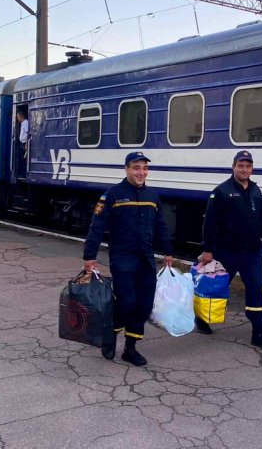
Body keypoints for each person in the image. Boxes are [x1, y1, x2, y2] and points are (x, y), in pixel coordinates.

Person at [82, 151, 174, 366]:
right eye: (136, 168)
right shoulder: (113, 194)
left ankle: (130, 348)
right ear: (126, 169)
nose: (141, 172)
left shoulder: (153, 196)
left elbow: (161, 226)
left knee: (144, 305)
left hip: (145, 258)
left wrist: (168, 251)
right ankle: (110, 336)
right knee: (126, 302)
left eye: (144, 168)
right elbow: (97, 226)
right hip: (123, 258)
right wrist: (89, 256)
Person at [199, 150, 262, 350]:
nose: (244, 169)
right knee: (217, 288)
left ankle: (257, 332)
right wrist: (207, 250)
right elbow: (210, 223)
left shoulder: (256, 190)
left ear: (252, 169)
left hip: (252, 252)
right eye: (240, 165)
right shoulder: (222, 191)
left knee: (255, 289)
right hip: (227, 251)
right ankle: (201, 318)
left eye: (248, 166)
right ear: (233, 167)